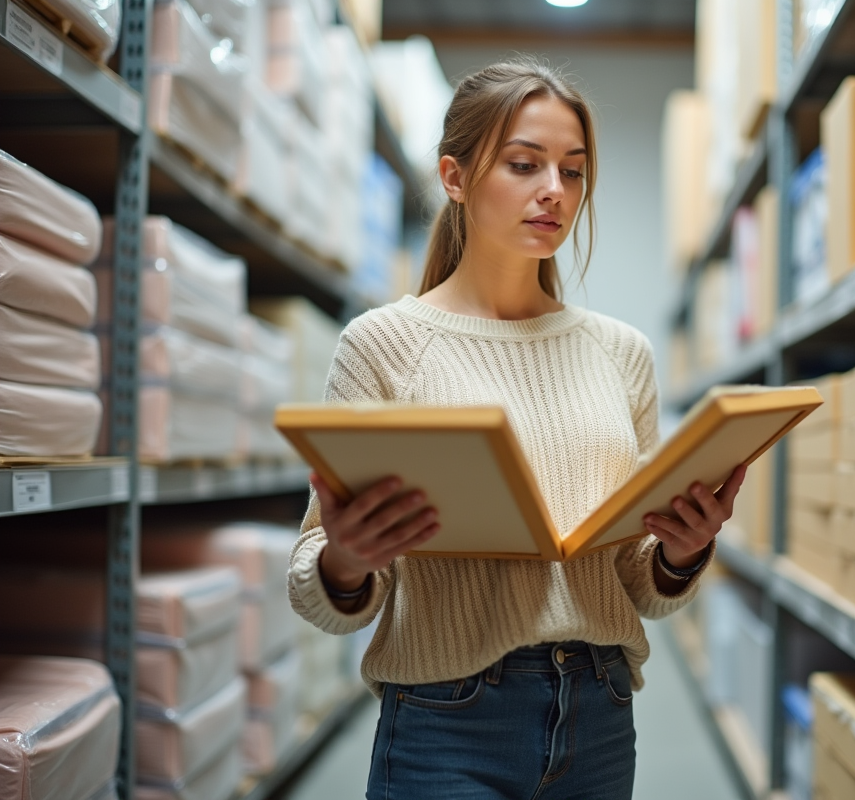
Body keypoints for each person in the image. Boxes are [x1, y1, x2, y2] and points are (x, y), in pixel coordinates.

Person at [287, 56, 745, 800]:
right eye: (524, 165)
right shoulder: (382, 346)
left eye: (573, 171)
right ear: (455, 177)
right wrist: (346, 559)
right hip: (446, 721)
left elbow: (638, 582)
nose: (553, 193)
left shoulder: (622, 353)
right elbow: (316, 584)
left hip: (599, 713)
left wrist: (682, 553)